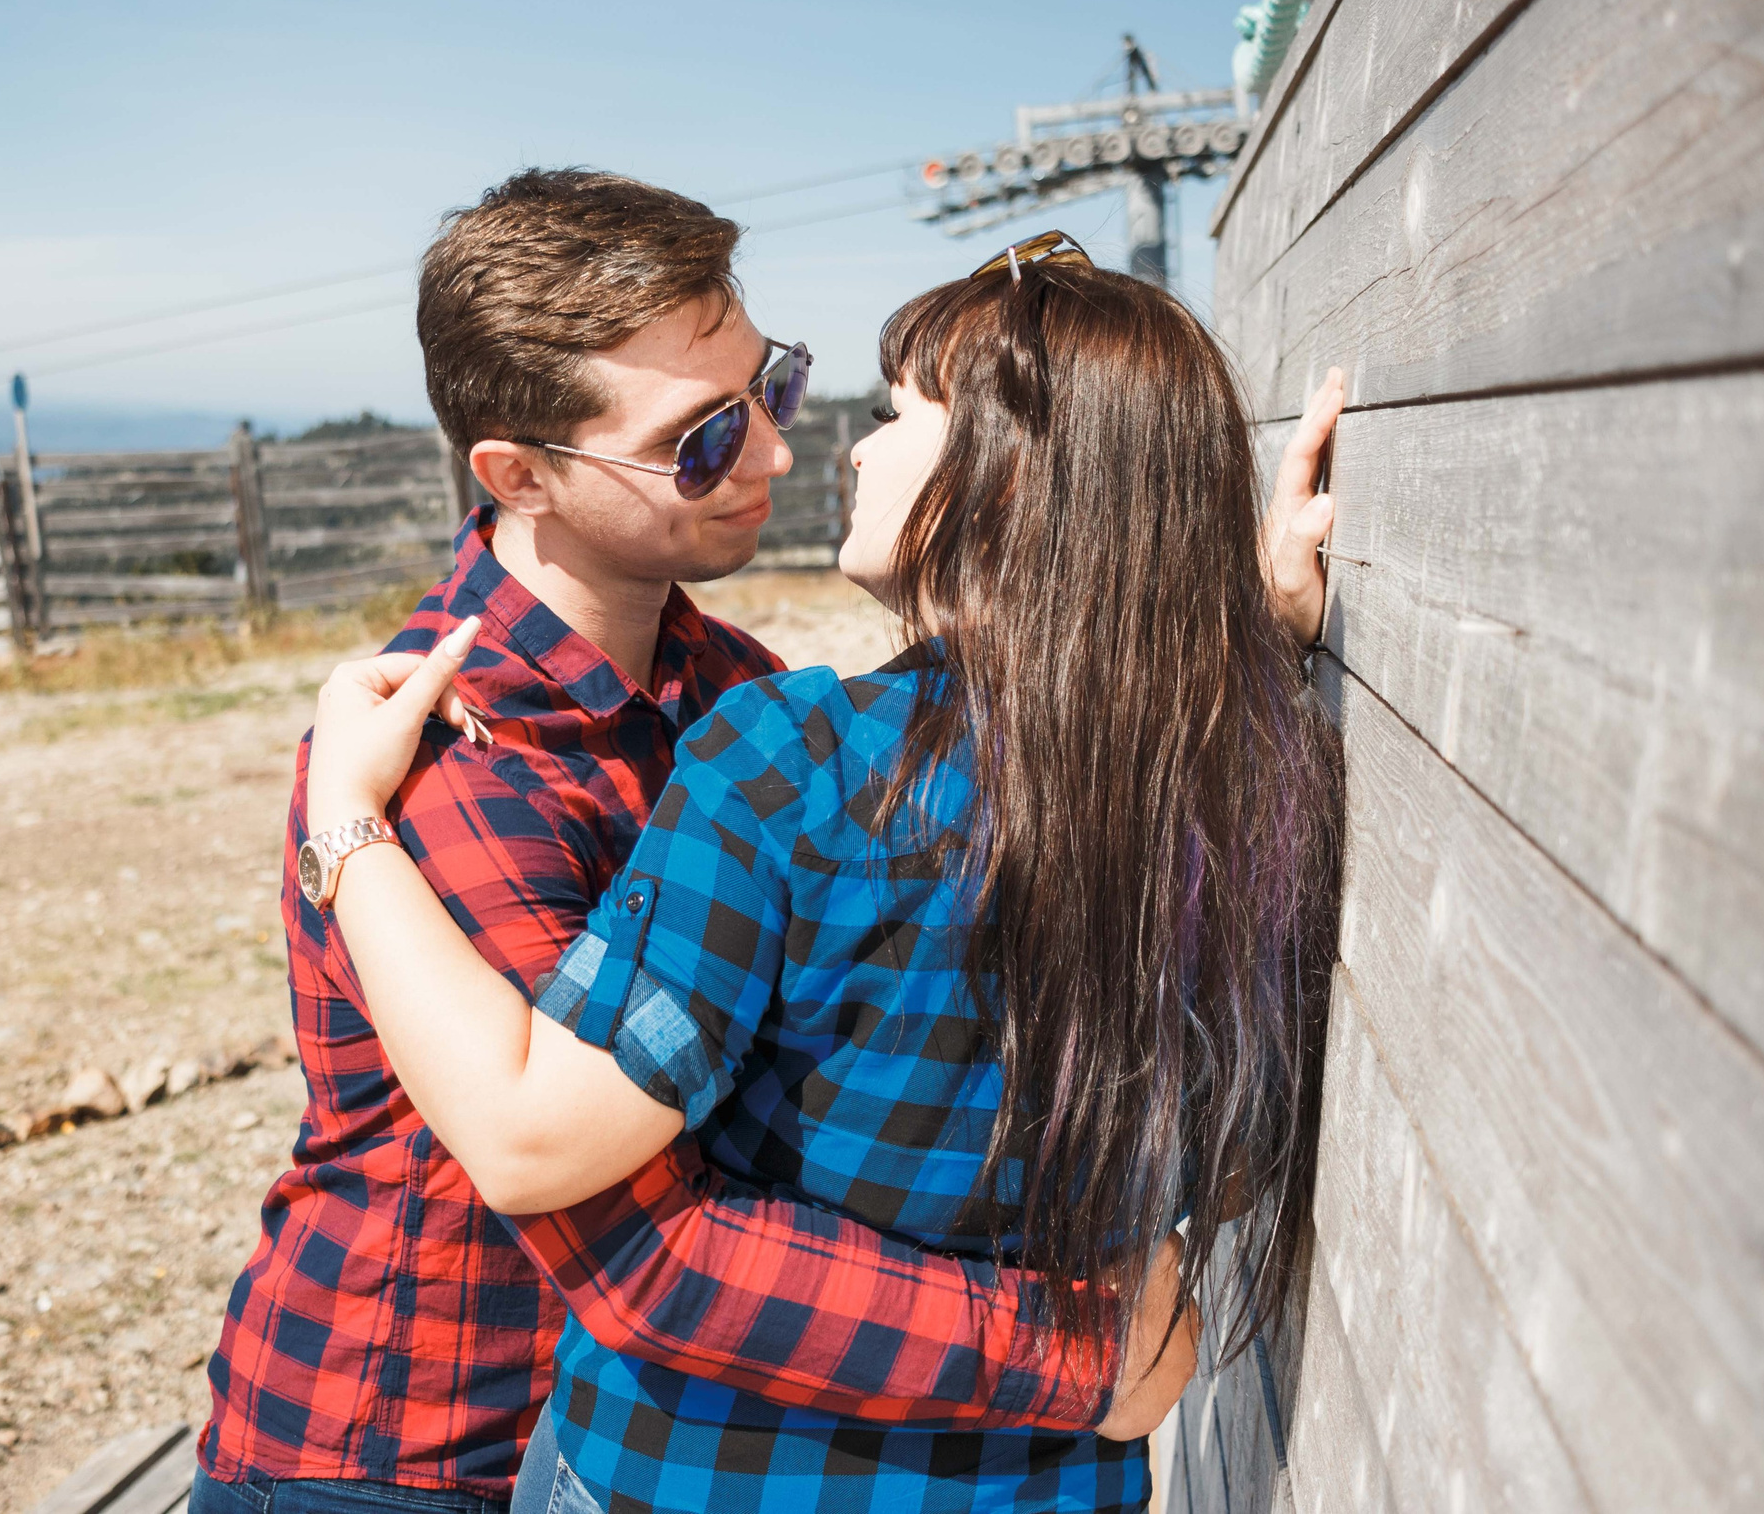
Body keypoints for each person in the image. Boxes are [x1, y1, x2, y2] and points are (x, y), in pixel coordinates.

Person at [195, 170, 1342, 1513]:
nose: (779, 455)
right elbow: (606, 1212)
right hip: (415, 1445)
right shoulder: (454, 750)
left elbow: (999, 766)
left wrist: (1205, 628)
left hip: (671, 1431)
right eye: (700, 439)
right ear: (523, 475)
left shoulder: (733, 690)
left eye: (772, 390)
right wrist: (1072, 1351)